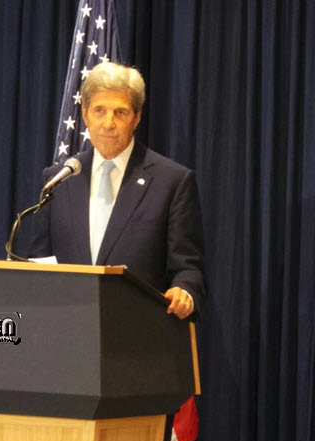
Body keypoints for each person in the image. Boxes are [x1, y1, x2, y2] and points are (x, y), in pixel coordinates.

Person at [29, 62, 206, 320]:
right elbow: (40, 259)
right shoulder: (59, 179)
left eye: (120, 113)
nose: (108, 123)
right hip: (66, 331)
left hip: (139, 336)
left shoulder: (173, 181)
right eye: (99, 111)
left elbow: (188, 267)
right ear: (85, 114)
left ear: (136, 118)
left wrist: (184, 291)